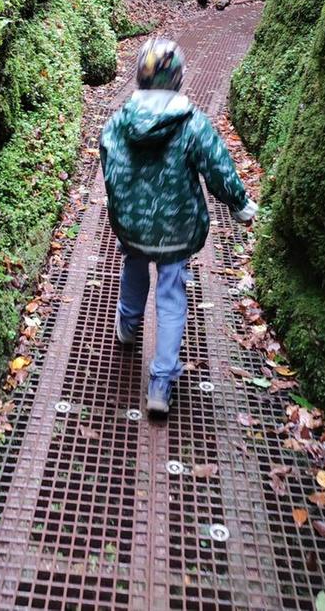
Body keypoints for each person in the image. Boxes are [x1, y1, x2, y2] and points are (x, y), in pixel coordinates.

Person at [99, 36, 257, 415]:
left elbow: (109, 162)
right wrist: (239, 203)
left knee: (133, 265)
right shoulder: (191, 123)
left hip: (133, 227)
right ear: (178, 78)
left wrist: (123, 206)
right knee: (171, 296)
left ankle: (127, 325)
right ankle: (160, 382)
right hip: (177, 229)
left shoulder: (119, 122)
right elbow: (217, 165)